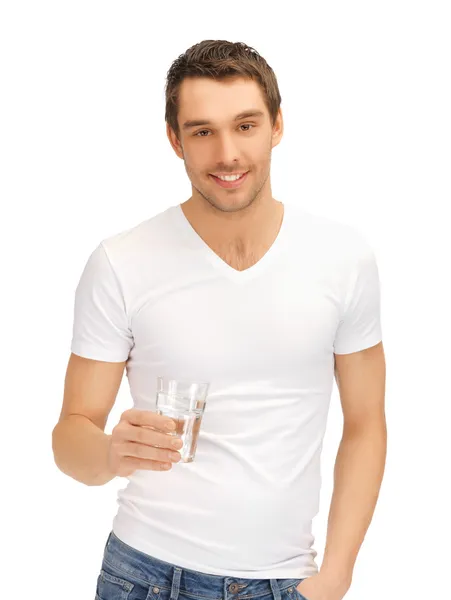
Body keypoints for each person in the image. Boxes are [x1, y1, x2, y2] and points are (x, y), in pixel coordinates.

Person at [52, 40, 387, 600]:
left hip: (285, 579)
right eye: (203, 131)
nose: (227, 154)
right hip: (143, 574)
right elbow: (69, 438)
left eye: (246, 125)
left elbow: (366, 424)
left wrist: (336, 575)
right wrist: (110, 452)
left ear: (277, 127)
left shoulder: (343, 258)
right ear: (174, 140)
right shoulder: (121, 261)